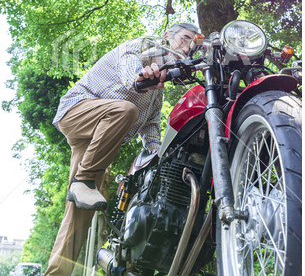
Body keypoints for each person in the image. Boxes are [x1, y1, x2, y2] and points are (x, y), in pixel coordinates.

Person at [44, 22, 199, 275]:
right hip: (76, 113)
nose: (187, 46)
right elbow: (131, 79)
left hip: (96, 141)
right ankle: (83, 179)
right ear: (166, 37)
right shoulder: (138, 48)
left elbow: (150, 127)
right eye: (184, 39)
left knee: (79, 213)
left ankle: (55, 273)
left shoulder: (157, 93)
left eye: (192, 44)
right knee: (126, 109)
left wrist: (160, 156)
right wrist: (144, 77)